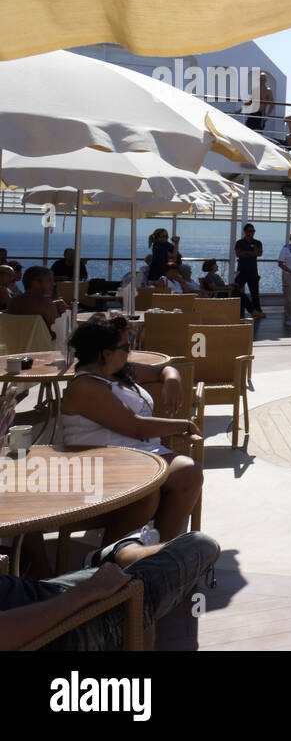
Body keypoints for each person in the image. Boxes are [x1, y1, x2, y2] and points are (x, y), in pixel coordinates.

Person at [60, 315, 204, 544]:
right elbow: (136, 427)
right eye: (126, 347)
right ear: (106, 353)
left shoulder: (118, 373)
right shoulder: (86, 386)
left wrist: (172, 380)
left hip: (137, 455)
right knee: (146, 492)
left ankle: (159, 553)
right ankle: (113, 559)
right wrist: (183, 425)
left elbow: (162, 371)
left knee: (189, 472)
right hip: (101, 462)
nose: (129, 352)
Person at [0, 531, 221, 652]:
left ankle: (117, 554)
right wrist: (90, 591)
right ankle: (120, 551)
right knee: (201, 545)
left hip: (42, 594)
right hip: (61, 626)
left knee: (126, 582)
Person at [7, 265, 67, 332]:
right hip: (41, 342)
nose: (53, 284)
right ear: (36, 283)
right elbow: (61, 331)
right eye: (49, 280)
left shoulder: (13, 301)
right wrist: (63, 311)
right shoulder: (45, 302)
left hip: (14, 341)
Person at [232, 224, 264, 318]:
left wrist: (246, 253)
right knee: (236, 289)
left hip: (253, 270)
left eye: (253, 231)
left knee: (255, 292)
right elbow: (238, 254)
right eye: (250, 231)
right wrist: (252, 253)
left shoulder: (258, 242)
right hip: (242, 270)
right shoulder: (240, 242)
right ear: (245, 232)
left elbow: (259, 253)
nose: (252, 233)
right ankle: (238, 311)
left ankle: (257, 311)